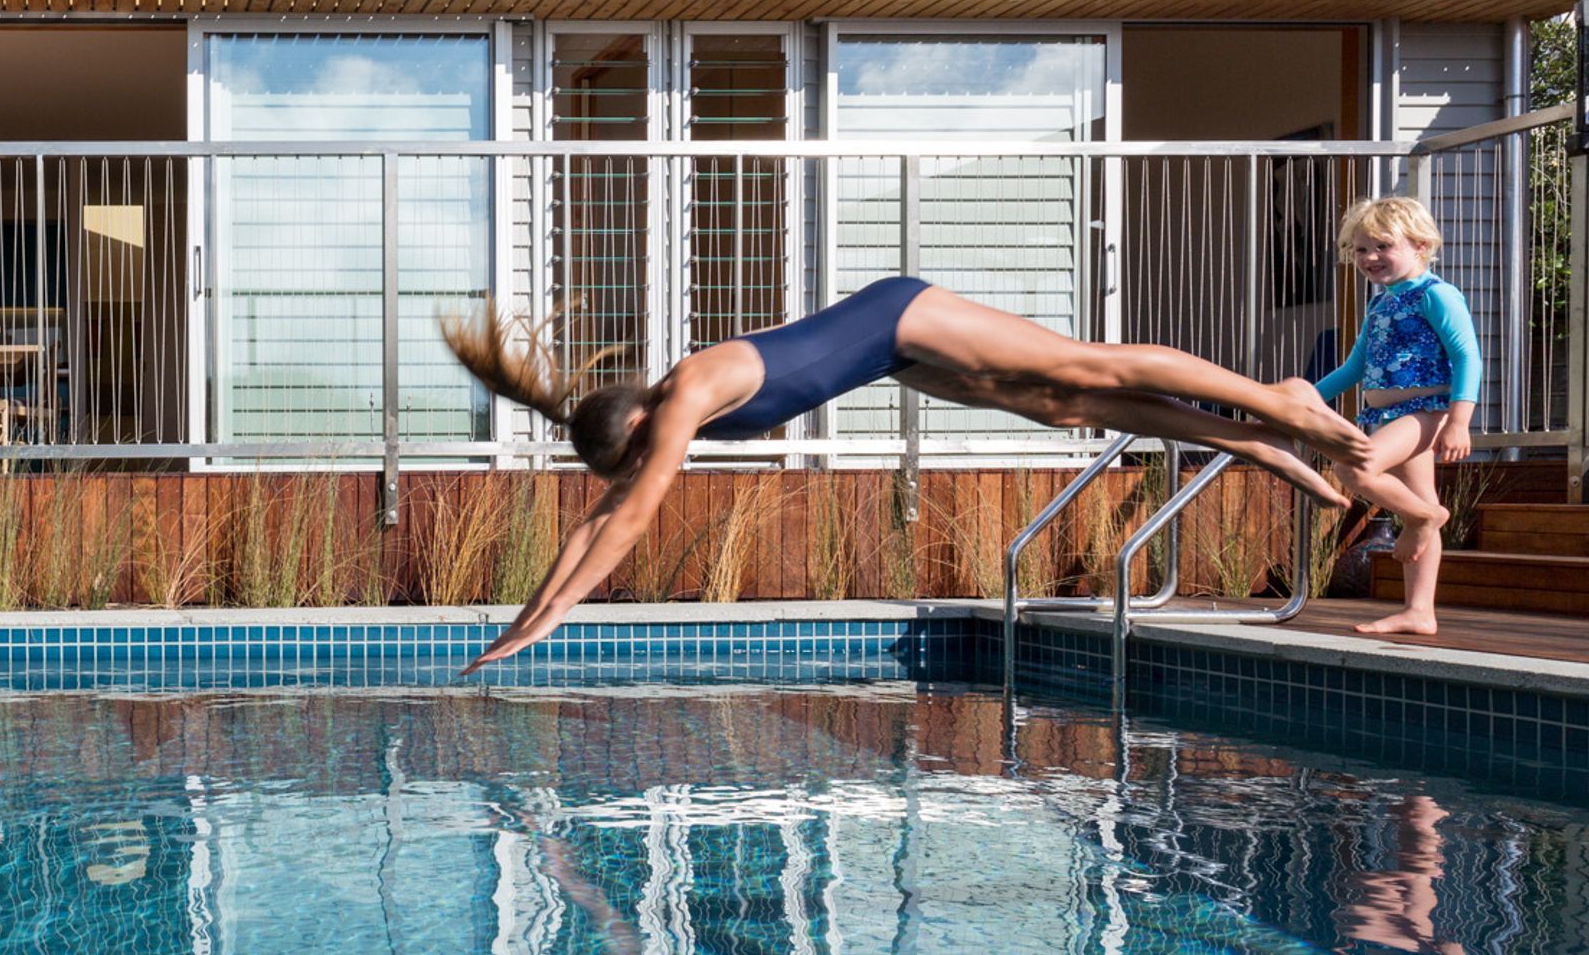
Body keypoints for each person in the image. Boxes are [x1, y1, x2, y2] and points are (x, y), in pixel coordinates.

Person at [448, 276, 1378, 670]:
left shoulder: (688, 389)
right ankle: (1247, 441)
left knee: (1084, 368)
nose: (654, 463)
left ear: (643, 420)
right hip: (894, 355)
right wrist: (529, 617)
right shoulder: (665, 416)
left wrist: (565, 612)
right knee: (1062, 408)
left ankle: (1276, 400)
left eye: (647, 451)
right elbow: (597, 519)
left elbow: (634, 517)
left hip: (900, 317)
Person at [1278, 197, 1479, 638]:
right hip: (1388, 414)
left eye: (1382, 246)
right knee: (1420, 496)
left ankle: (1423, 519)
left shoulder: (1436, 295)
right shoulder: (1380, 305)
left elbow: (1467, 356)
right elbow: (1353, 368)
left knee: (1352, 467)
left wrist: (1460, 421)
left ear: (1421, 245)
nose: (1369, 257)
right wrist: (1302, 400)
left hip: (1427, 411)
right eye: (1361, 249)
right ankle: (1419, 610)